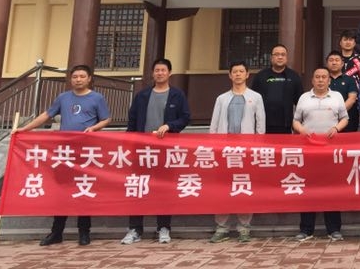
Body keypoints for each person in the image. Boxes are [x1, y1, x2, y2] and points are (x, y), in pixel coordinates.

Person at [16, 64, 111, 246]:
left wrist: (94, 128)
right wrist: (25, 129)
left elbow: (106, 118)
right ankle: (56, 232)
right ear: (70, 79)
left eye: (82, 76)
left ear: (89, 78)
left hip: (86, 152)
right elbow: (47, 115)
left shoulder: (97, 98)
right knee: (62, 191)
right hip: (65, 152)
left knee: (84, 190)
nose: (78, 79)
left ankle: (84, 232)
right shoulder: (63, 97)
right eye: (75, 76)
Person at [122, 58, 191, 245]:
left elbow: (185, 118)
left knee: (164, 188)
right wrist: (129, 143)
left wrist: (170, 125)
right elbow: (132, 121)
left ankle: (164, 227)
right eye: (157, 70)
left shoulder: (177, 95)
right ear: (153, 74)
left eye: (163, 70)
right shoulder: (142, 96)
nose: (160, 73)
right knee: (139, 187)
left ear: (169, 73)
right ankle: (135, 229)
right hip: (142, 150)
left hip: (165, 150)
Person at [208, 61, 265, 243]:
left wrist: (257, 147)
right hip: (224, 151)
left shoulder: (255, 97)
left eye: (241, 71)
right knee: (222, 188)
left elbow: (260, 125)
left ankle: (244, 227)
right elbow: (214, 125)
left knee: (244, 186)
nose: (238, 74)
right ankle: (222, 227)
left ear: (247, 74)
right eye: (235, 72)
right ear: (230, 75)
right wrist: (214, 147)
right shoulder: (221, 98)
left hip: (246, 150)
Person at [293, 67, 349, 241]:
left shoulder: (337, 97)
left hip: (330, 151)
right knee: (308, 189)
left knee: (332, 189)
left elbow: (345, 118)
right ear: (312, 80)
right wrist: (302, 130)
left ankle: (334, 229)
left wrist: (336, 128)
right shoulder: (304, 98)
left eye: (324, 77)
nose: (320, 80)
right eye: (317, 77)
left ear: (329, 80)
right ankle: (306, 229)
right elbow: (296, 120)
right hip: (309, 150)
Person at [250, 44, 303, 134]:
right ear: (271, 57)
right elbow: (253, 99)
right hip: (264, 124)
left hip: (286, 125)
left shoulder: (294, 76)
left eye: (283, 55)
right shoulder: (261, 76)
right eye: (277, 54)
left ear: (286, 58)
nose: (280, 57)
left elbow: (300, 102)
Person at [327, 49, 360, 132]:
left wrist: (337, 113)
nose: (334, 63)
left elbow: (352, 99)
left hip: (348, 120)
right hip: (327, 120)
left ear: (342, 64)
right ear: (327, 64)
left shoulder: (350, 80)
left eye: (337, 60)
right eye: (331, 60)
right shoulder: (323, 79)